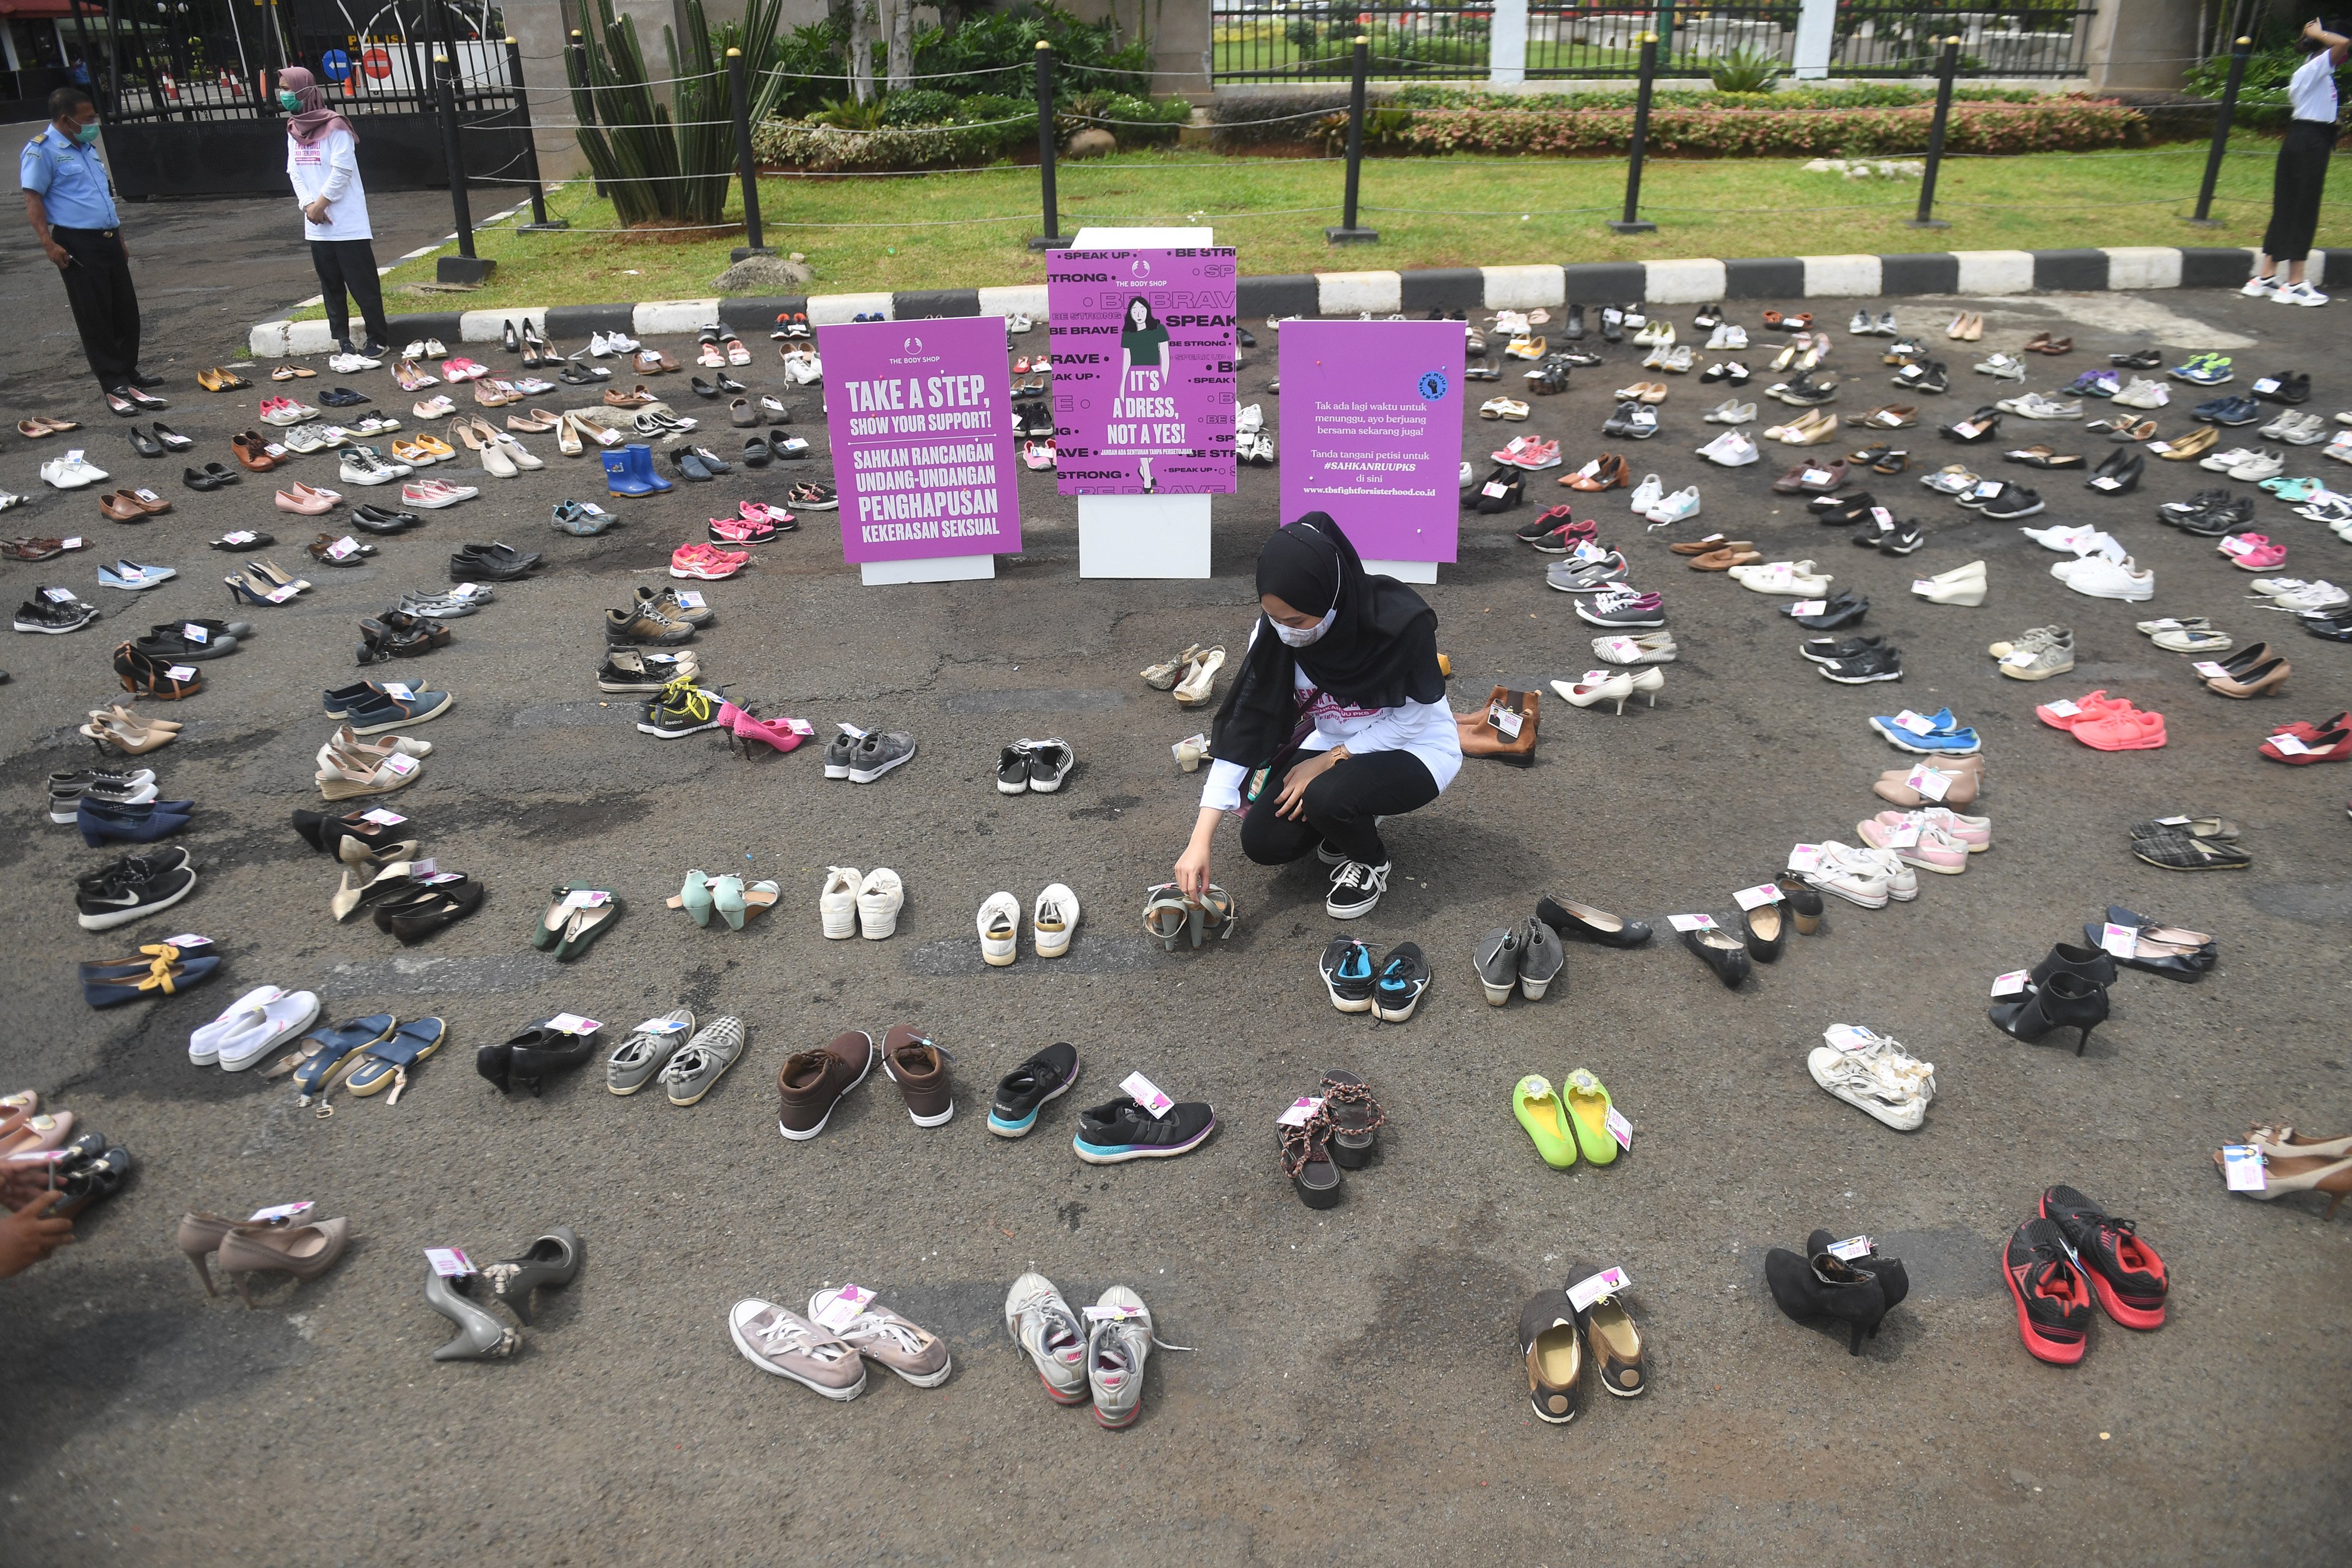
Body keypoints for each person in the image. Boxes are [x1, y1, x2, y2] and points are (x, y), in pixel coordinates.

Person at [1174, 513, 1461, 922]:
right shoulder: (1273, 635)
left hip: (1416, 746)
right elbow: (1247, 727)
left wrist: (1328, 761)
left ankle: (1370, 860)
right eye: (1273, 618)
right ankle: (1350, 811)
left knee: (1325, 796)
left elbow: (1411, 722)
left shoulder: (1398, 626)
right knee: (1263, 840)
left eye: (1296, 621)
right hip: (1333, 743)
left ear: (1332, 597)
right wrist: (1199, 839)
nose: (1286, 632)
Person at [19, 86, 158, 397]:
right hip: (76, 241)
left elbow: (100, 199)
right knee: (94, 314)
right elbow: (33, 199)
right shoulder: (42, 150)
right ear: (67, 120)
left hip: (106, 238)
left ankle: (128, 370)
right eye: (88, 118)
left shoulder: (85, 148)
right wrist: (48, 245)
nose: (93, 123)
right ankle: (112, 380)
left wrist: (118, 236)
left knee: (124, 309)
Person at [279, 65, 392, 357]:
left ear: (305, 89)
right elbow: (294, 172)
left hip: (346, 222)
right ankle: (341, 339)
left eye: (288, 89)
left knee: (361, 283)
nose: (284, 95)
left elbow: (342, 170)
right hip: (317, 224)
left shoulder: (336, 126)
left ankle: (378, 338)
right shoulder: (294, 129)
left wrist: (320, 205)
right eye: (282, 88)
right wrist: (307, 205)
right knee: (330, 284)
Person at [2246, 18, 2348, 307]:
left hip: (2303, 138)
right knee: (2304, 208)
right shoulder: (2316, 67)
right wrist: (2316, 32)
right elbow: (2342, 44)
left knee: (2289, 206)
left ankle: (2265, 277)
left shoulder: (2314, 69)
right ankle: (2294, 284)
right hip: (2310, 141)